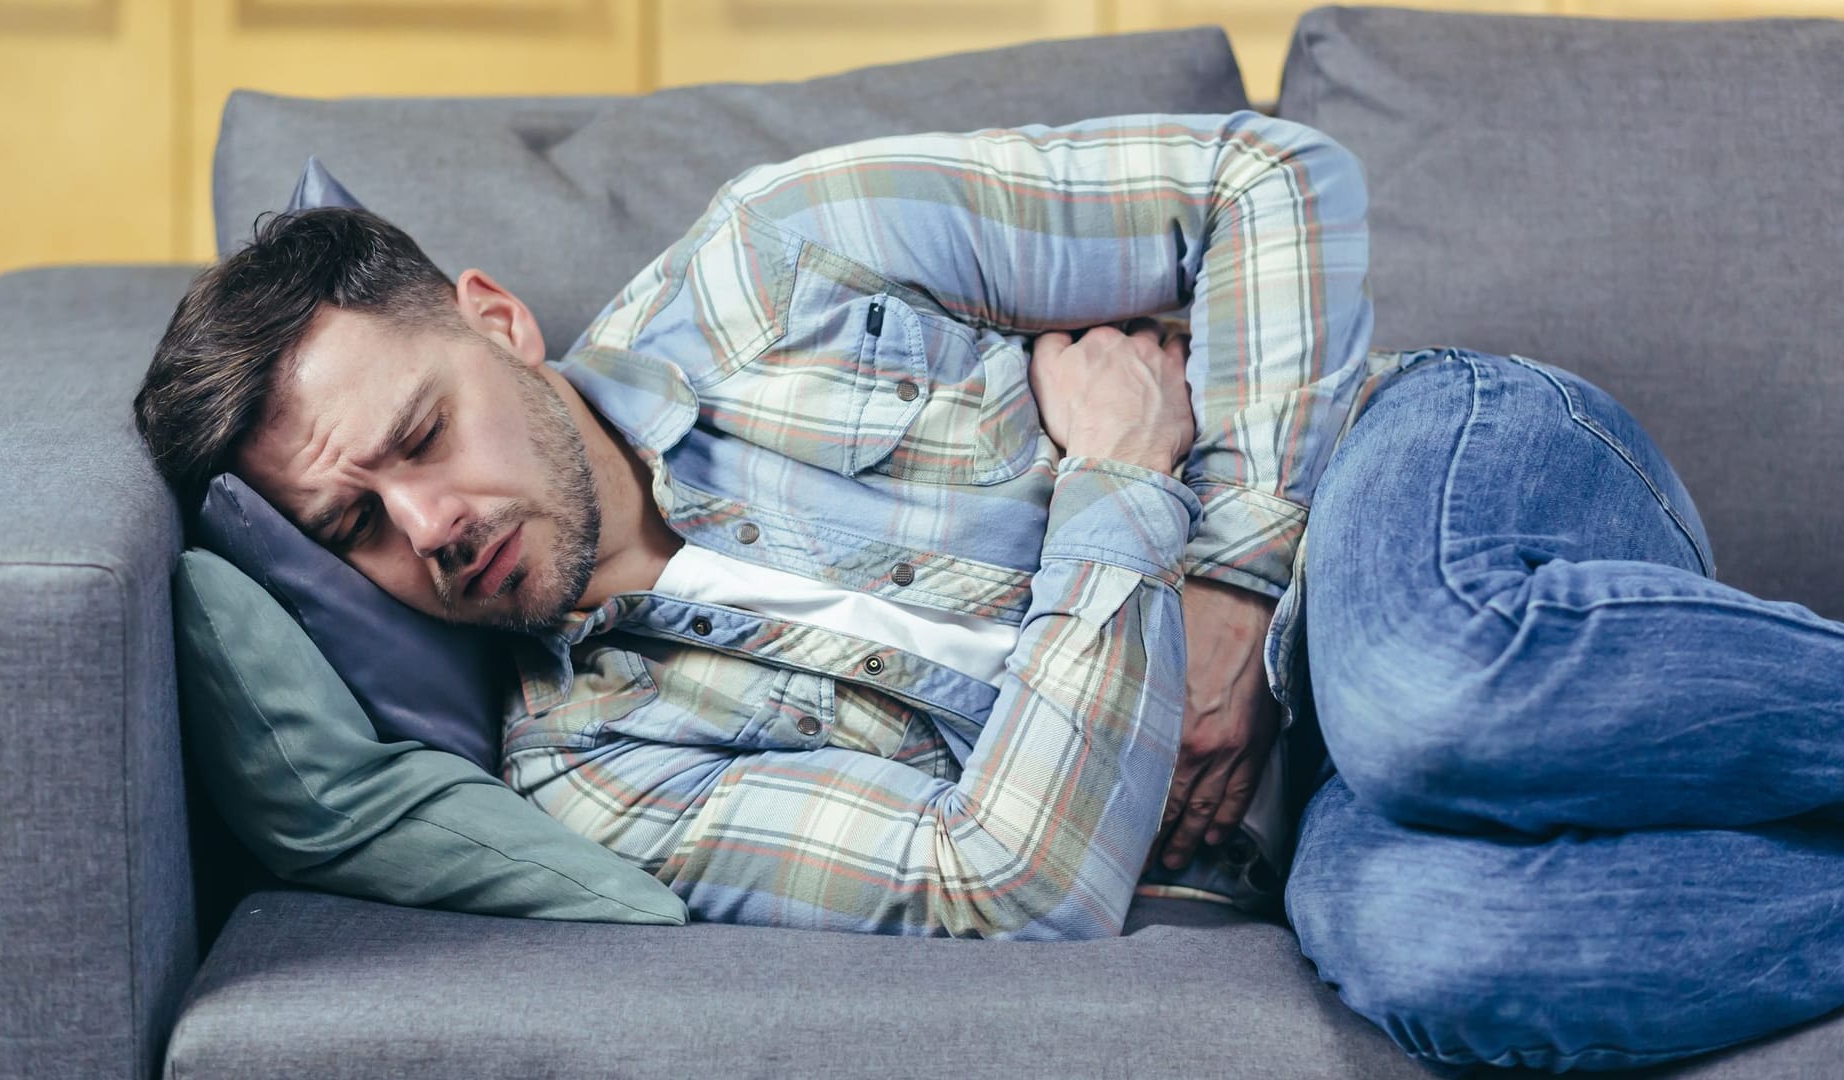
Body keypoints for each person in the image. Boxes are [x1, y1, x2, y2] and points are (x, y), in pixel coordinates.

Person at [131, 110, 1844, 1074]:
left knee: (1418, 696)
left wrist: (1234, 582)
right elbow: (1011, 884)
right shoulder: (597, 777)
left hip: (1422, 494)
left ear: (497, 320)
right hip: (1310, 831)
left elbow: (1267, 182)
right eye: (352, 529)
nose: (426, 526)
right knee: (1437, 950)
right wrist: (1112, 486)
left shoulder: (776, 260)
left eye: (420, 435)